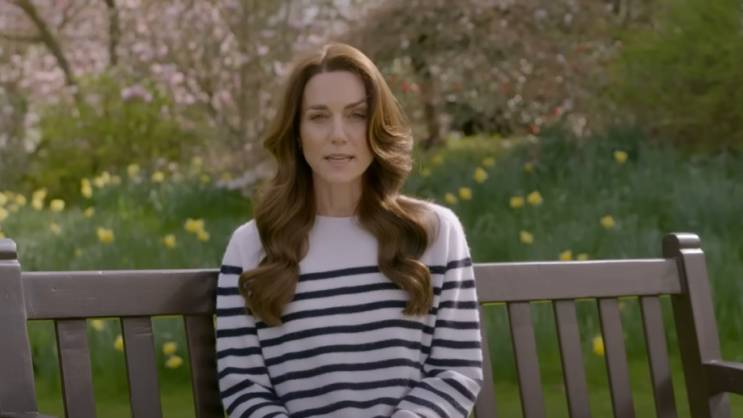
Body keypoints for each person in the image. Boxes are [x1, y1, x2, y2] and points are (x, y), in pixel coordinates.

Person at [215, 42, 483, 418]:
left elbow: (455, 371)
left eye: (356, 115)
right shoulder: (251, 247)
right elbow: (244, 387)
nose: (338, 134)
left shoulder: (435, 234)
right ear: (296, 132)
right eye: (319, 117)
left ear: (377, 127)